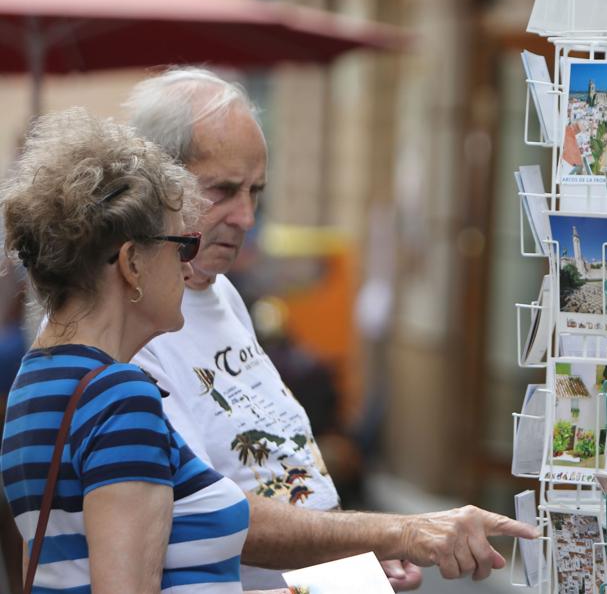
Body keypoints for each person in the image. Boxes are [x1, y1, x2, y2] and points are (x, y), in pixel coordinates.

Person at [120, 67, 535, 589]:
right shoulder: (129, 320)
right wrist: (392, 533)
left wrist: (348, 566)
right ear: (156, 183)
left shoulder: (221, 290)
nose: (247, 217)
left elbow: (266, 466)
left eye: (257, 191)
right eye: (223, 190)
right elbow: (204, 510)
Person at [0, 109, 270, 592]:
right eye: (182, 246)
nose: (190, 268)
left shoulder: (34, 380)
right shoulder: (120, 397)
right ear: (131, 264)